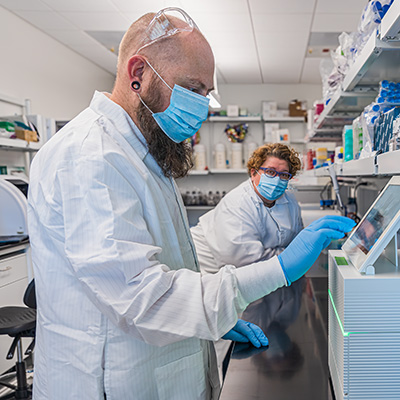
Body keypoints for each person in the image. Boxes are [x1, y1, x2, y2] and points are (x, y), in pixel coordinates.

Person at [27, 8, 355, 400]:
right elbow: (144, 300)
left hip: (153, 365)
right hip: (110, 383)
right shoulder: (91, 157)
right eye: (193, 89)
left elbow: (166, 269)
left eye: (207, 93)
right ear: (138, 74)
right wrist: (281, 268)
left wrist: (210, 319)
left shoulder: (143, 154)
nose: (203, 106)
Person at [191, 143, 304, 274]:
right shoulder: (238, 204)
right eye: (270, 172)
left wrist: (293, 253)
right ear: (253, 172)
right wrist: (291, 255)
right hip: (210, 270)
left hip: (263, 274)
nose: (277, 180)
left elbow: (297, 240)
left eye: (284, 175)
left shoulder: (290, 202)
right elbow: (245, 263)